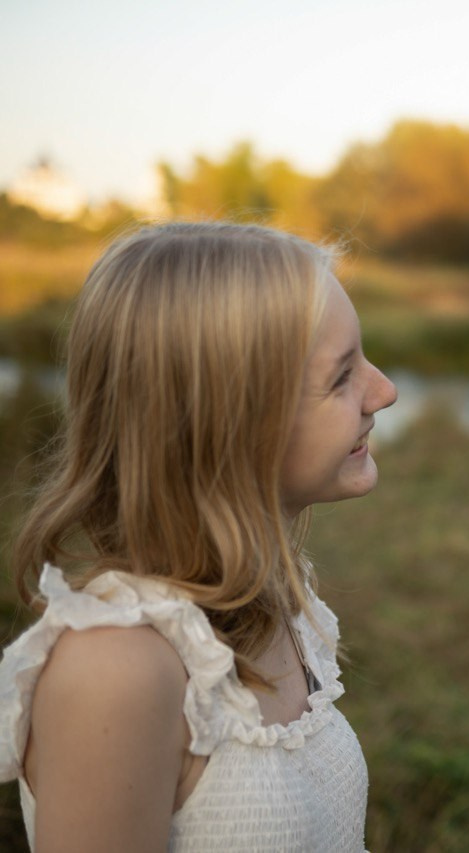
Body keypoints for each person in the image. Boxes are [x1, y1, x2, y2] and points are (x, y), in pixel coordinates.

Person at [0, 221, 397, 851]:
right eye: (342, 375)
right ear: (228, 421)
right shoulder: (116, 668)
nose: (385, 391)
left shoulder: (266, 604)